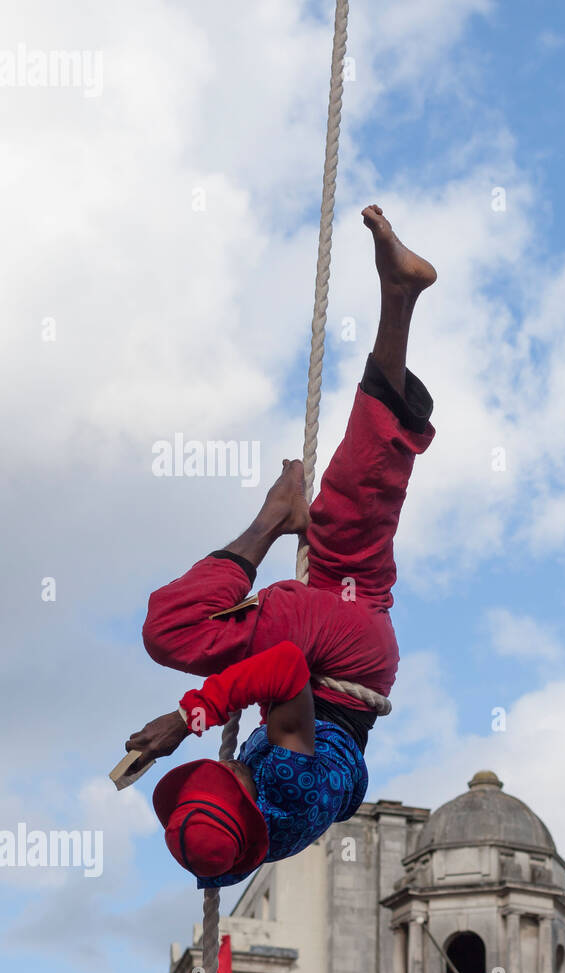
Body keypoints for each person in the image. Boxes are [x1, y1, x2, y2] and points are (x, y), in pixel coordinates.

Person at [128, 205, 437, 889]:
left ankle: (399, 296)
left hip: (357, 631)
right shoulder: (291, 790)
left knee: (360, 494)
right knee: (171, 632)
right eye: (225, 773)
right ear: (244, 802)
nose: (227, 763)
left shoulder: (266, 832)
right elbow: (286, 669)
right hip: (334, 657)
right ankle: (274, 519)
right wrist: (190, 716)